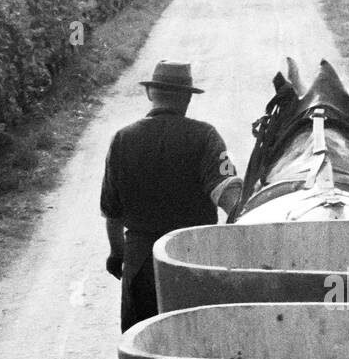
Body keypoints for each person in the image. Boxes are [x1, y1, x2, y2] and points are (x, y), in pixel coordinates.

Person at [101, 61, 243, 331]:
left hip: (140, 263)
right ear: (188, 97)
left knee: (142, 344)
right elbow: (228, 190)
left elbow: (112, 212)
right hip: (193, 258)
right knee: (197, 341)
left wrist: (117, 253)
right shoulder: (207, 137)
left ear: (150, 94)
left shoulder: (122, 139)